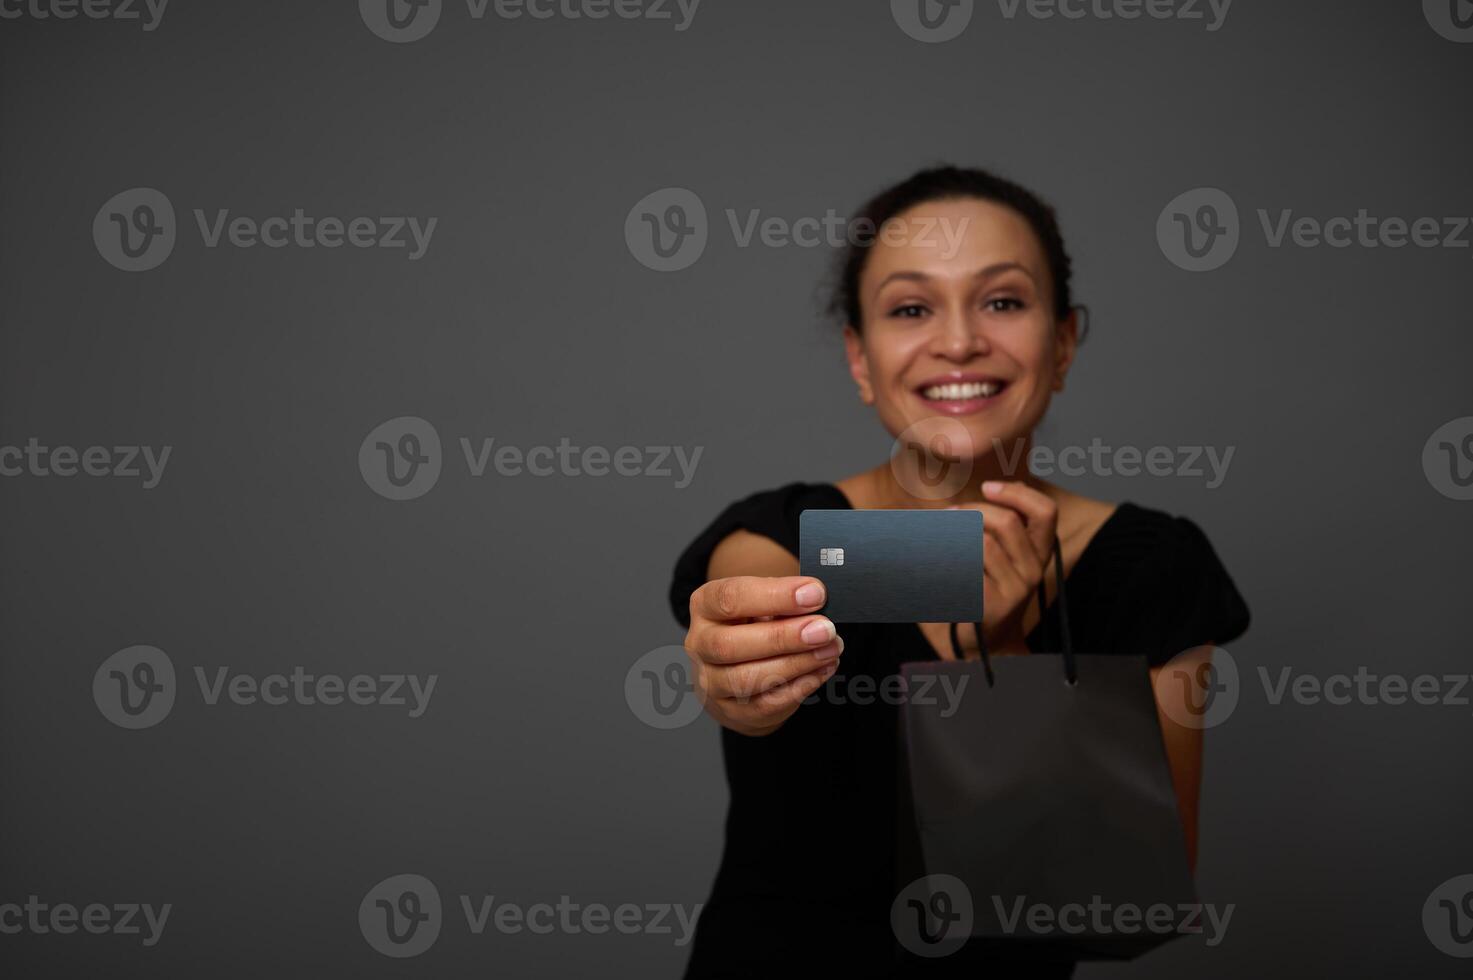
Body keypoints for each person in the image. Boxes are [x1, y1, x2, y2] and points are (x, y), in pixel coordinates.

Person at [668, 166, 1250, 978]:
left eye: (1002, 301)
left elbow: (1127, 913)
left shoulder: (1149, 570)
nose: (957, 341)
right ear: (860, 357)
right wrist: (739, 670)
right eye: (910, 309)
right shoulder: (776, 534)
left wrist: (1003, 656)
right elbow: (753, 598)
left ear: (1064, 343)